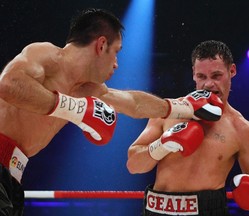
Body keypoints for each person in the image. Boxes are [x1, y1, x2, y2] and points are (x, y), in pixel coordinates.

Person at [0, 8, 225, 215]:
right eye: (116, 52)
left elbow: (133, 103)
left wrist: (183, 107)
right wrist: (77, 110)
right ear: (101, 45)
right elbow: (8, 85)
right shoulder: (46, 55)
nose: (116, 63)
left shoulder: (88, 89)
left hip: (12, 175)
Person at [126, 40, 249, 216]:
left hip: (208, 210)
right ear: (193, 74)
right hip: (157, 208)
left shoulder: (242, 129)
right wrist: (163, 145)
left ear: (232, 71)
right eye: (201, 76)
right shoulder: (168, 111)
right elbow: (133, 165)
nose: (208, 84)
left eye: (216, 75)